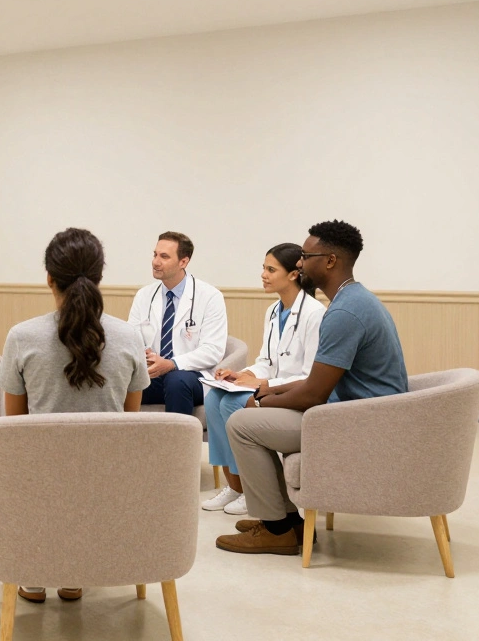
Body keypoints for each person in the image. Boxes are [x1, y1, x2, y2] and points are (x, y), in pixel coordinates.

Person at [215, 220, 409, 556]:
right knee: (249, 414)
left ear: (330, 260)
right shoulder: (355, 300)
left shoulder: (344, 312)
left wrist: (261, 404)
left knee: (242, 424)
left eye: (306, 256)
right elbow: (317, 381)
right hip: (358, 414)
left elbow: (314, 394)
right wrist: (269, 392)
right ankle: (289, 523)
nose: (301, 263)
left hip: (360, 425)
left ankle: (277, 529)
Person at [0, 228, 150, 603]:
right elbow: (130, 423)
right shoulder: (129, 337)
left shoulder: (22, 336)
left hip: (39, 485)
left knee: (28, 463)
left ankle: (34, 571)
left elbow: (14, 428)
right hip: (109, 483)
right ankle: (74, 569)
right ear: (99, 279)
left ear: (49, 278)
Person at [200, 243, 326, 516]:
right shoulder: (273, 311)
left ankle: (250, 486)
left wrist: (259, 385)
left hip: (294, 395)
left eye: (271, 269)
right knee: (214, 400)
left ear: (294, 274)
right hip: (271, 387)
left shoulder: (315, 315)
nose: (263, 275)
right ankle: (235, 486)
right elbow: (267, 362)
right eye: (263, 268)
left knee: (233, 405)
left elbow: (309, 376)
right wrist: (244, 374)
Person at [127, 231, 228, 415]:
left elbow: (213, 351)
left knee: (176, 380)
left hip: (193, 377)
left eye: (164, 257)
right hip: (154, 375)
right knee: (119, 380)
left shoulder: (210, 296)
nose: (156, 261)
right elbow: (131, 338)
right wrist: (144, 355)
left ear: (183, 262)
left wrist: (172, 363)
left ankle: (177, 443)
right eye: (155, 254)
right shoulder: (144, 295)